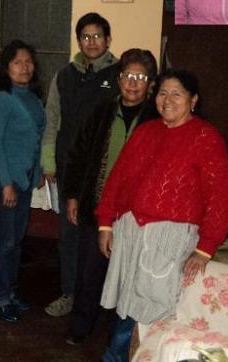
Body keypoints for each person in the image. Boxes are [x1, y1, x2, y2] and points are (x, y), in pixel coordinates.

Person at [96, 69, 228, 361]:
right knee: (128, 304)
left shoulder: (206, 138)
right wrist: (106, 224)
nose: (167, 100)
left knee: (154, 307)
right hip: (131, 232)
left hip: (170, 240)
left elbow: (219, 197)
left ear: (193, 100)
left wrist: (205, 248)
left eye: (176, 94)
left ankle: (119, 356)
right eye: (162, 93)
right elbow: (117, 179)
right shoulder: (145, 131)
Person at [61, 49, 158, 346]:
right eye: (128, 75)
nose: (133, 83)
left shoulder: (156, 118)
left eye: (140, 77)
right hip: (97, 205)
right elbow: (78, 154)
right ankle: (81, 326)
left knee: (130, 275)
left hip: (136, 214)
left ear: (150, 83)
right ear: (118, 79)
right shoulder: (102, 111)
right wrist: (73, 195)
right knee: (89, 272)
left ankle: (121, 336)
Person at [41, 12, 120, 318]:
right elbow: (51, 121)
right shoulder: (64, 75)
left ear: (108, 39)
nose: (91, 42)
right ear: (78, 41)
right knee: (70, 236)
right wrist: (49, 162)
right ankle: (70, 294)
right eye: (85, 37)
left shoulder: (120, 75)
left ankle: (102, 299)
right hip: (69, 170)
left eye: (97, 36)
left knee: (104, 235)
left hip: (105, 172)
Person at [0, 40, 46, 323]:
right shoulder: (1, 97)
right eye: (17, 62)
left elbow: (37, 138)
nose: (24, 67)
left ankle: (10, 292)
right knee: (3, 241)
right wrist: (6, 183)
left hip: (24, 180)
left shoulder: (33, 98)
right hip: (6, 181)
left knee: (16, 241)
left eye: (28, 62)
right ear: (6, 67)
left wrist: (38, 171)